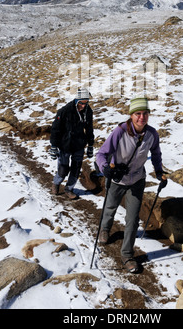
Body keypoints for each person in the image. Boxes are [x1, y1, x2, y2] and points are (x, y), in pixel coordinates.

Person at [95, 97, 167, 273]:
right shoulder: (120, 131)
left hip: (136, 180)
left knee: (133, 218)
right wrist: (106, 169)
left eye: (145, 113)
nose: (141, 117)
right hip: (117, 178)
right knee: (110, 207)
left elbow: (156, 154)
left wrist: (159, 171)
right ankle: (105, 228)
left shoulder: (152, 134)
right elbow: (101, 154)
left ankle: (127, 255)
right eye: (137, 114)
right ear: (131, 115)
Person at [49, 88, 94, 199]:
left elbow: (89, 129)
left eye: (86, 103)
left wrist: (90, 145)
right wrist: (54, 146)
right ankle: (56, 183)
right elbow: (55, 129)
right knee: (63, 168)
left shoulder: (88, 111)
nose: (83, 106)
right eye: (81, 103)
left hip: (79, 144)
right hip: (65, 144)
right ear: (76, 100)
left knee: (76, 168)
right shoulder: (64, 111)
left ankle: (69, 189)